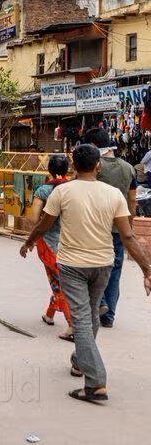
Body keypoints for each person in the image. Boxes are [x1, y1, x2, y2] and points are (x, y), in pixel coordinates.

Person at [20, 144, 151, 404]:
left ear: (73, 167)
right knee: (90, 315)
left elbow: (43, 225)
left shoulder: (63, 192)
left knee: (81, 320)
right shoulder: (114, 195)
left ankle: (96, 381)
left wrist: (28, 243)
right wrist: (147, 268)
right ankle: (80, 362)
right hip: (103, 265)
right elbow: (127, 235)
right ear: (98, 165)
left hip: (72, 265)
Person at [82, 128, 136, 329]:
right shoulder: (128, 168)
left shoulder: (95, 167)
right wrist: (128, 226)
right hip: (118, 227)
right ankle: (109, 315)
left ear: (93, 147)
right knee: (115, 270)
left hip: (96, 226)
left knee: (94, 266)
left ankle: (101, 303)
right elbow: (131, 199)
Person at [28, 154, 74, 342]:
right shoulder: (74, 187)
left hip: (49, 242)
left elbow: (33, 219)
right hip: (74, 241)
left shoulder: (44, 190)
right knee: (59, 280)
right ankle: (49, 314)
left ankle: (72, 324)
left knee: (58, 281)